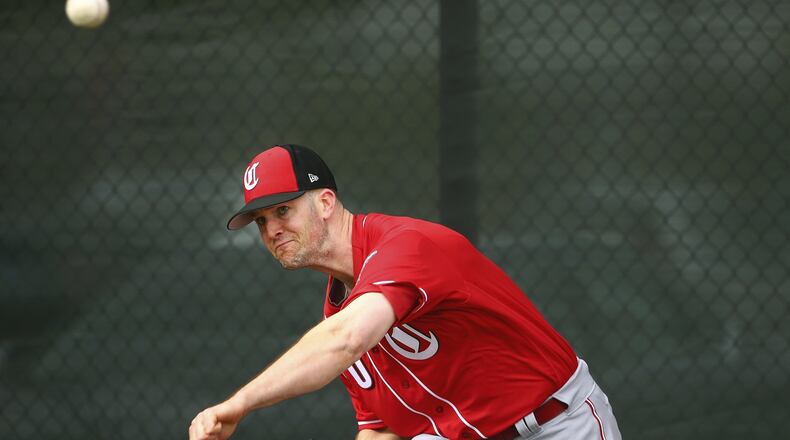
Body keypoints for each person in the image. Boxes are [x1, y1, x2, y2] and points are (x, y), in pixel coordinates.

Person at [188, 144, 622, 440]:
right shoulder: (338, 308)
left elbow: (346, 339)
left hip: (556, 425)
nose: (272, 228)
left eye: (283, 209)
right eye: (262, 220)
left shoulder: (405, 247)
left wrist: (239, 404)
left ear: (325, 202)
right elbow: (381, 429)